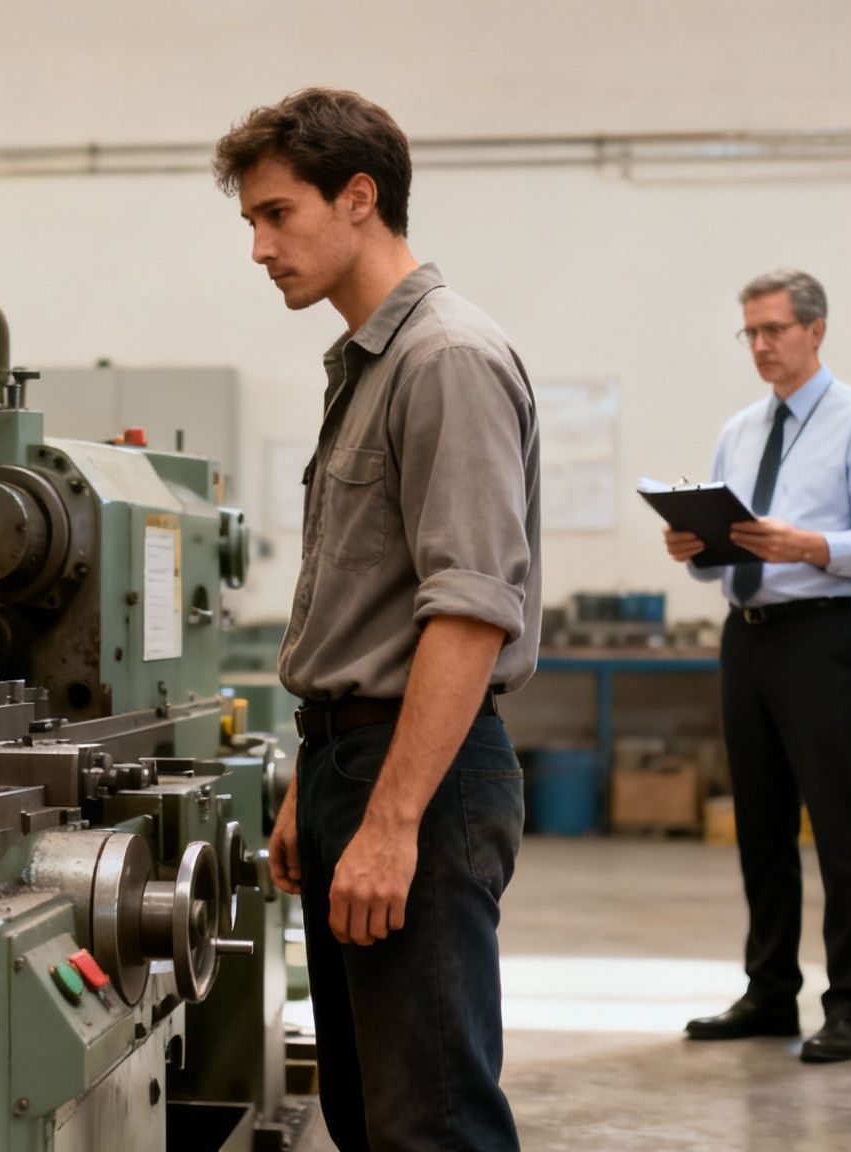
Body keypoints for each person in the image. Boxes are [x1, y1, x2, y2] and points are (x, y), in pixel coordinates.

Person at [216, 88, 539, 1151]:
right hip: (354, 762)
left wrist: (392, 821)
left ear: (358, 198)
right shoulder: (365, 363)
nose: (260, 246)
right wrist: (316, 783)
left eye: (276, 215)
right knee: (365, 1114)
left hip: (422, 779)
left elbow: (466, 613)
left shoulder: (443, 358)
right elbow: (366, 606)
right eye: (252, 222)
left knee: (431, 1123)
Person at [666, 269, 851, 1064]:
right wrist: (695, 548)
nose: (762, 346)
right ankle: (771, 992)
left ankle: (850, 1010)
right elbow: (726, 554)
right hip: (748, 636)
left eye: (774, 330)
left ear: (816, 330)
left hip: (820, 639)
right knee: (759, 826)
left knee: (838, 828)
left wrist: (810, 545)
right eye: (751, 333)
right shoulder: (740, 429)